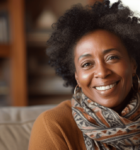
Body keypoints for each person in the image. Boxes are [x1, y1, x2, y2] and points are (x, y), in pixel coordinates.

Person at [28, 0, 140, 149]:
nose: (102, 72)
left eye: (112, 57)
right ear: (77, 77)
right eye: (87, 64)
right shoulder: (54, 125)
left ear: (133, 65)